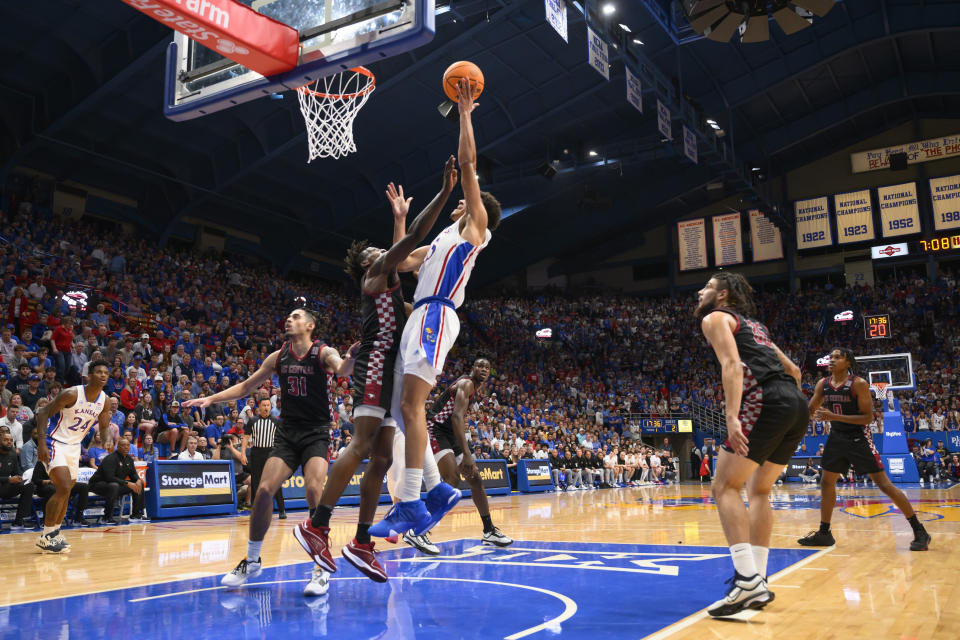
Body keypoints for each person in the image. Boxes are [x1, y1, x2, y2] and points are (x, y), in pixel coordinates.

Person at [296, 156, 457, 582]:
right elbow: (411, 244)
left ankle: (363, 541)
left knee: (383, 458)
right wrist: (443, 193)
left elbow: (406, 253)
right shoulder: (374, 275)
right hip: (372, 369)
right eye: (373, 252)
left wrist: (398, 219)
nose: (380, 252)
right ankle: (316, 526)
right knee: (362, 446)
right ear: (366, 265)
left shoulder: (389, 283)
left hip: (389, 375)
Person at [371, 78, 502, 540]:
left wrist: (465, 113)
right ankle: (434, 491)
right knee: (405, 408)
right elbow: (399, 262)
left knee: (411, 405)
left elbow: (468, 163)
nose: (463, 197)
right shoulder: (442, 240)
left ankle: (410, 501)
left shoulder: (474, 231)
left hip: (435, 314)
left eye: (469, 196)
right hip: (420, 314)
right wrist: (402, 219)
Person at [183, 308, 358, 597]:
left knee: (314, 489)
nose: (289, 319)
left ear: (310, 326)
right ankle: (252, 561)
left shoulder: (323, 352)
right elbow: (245, 386)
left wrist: (350, 358)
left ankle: (320, 567)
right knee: (263, 489)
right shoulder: (278, 357)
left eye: (297, 316)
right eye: (288, 316)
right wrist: (211, 398)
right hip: (288, 433)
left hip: (316, 432)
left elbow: (342, 370)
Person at [695, 272, 808, 617]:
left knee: (724, 486)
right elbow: (795, 371)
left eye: (708, 287)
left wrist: (732, 416)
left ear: (723, 295)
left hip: (764, 401)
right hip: (794, 402)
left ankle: (746, 580)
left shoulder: (714, 318)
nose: (700, 292)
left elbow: (731, 365)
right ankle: (757, 578)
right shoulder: (756, 327)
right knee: (760, 490)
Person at [798, 348, 930, 551]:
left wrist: (833, 417)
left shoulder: (858, 384)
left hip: (859, 437)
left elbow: (868, 418)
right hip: (837, 437)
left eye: (837, 357)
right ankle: (824, 533)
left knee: (884, 485)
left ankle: (920, 530)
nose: (832, 360)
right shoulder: (823, 384)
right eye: (831, 357)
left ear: (848, 362)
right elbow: (810, 409)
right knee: (826, 482)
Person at [428, 358, 512, 546]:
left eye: (487, 367)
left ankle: (489, 530)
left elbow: (456, 420)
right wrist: (467, 454)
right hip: (435, 427)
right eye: (480, 366)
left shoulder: (473, 387)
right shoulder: (466, 384)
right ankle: (419, 530)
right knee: (452, 478)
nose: (483, 369)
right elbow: (457, 416)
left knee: (475, 479)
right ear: (472, 368)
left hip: (448, 431)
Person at [34, 359, 113, 552]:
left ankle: (54, 533)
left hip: (74, 446)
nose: (103, 375)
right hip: (55, 442)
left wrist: (107, 440)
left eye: (106, 373)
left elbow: (103, 426)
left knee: (67, 491)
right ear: (90, 375)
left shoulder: (105, 400)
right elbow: (43, 412)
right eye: (99, 372)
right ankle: (45, 536)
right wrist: (42, 443)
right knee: (62, 487)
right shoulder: (72, 393)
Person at [90, 436, 147, 523]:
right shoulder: (111, 458)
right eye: (123, 445)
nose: (126, 447)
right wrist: (127, 483)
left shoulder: (129, 459)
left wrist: (138, 480)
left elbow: (133, 474)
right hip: (97, 485)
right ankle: (106, 517)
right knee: (114, 486)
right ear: (118, 447)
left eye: (128, 445)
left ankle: (136, 515)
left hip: (116, 485)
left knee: (139, 484)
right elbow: (109, 477)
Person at [245, 398, 285, 519]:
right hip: (256, 453)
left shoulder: (276, 421)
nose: (266, 407)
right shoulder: (252, 420)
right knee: (256, 482)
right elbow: (246, 438)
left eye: (268, 405)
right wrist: (242, 453)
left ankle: (282, 510)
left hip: (271, 453)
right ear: (259, 407)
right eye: (264, 405)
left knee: (275, 482)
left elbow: (281, 439)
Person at [33, 458, 90, 527]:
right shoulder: (41, 462)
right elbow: (35, 479)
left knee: (83, 486)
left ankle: (79, 518)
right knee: (52, 489)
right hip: (44, 487)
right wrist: (48, 481)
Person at [0, 431, 35, 531]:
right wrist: (8, 479)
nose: (9, 442)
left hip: (6, 487)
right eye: (5, 440)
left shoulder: (12, 454)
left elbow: (17, 471)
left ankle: (19, 521)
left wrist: (21, 478)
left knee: (29, 486)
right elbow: (9, 479)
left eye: (11, 440)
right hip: (4, 484)